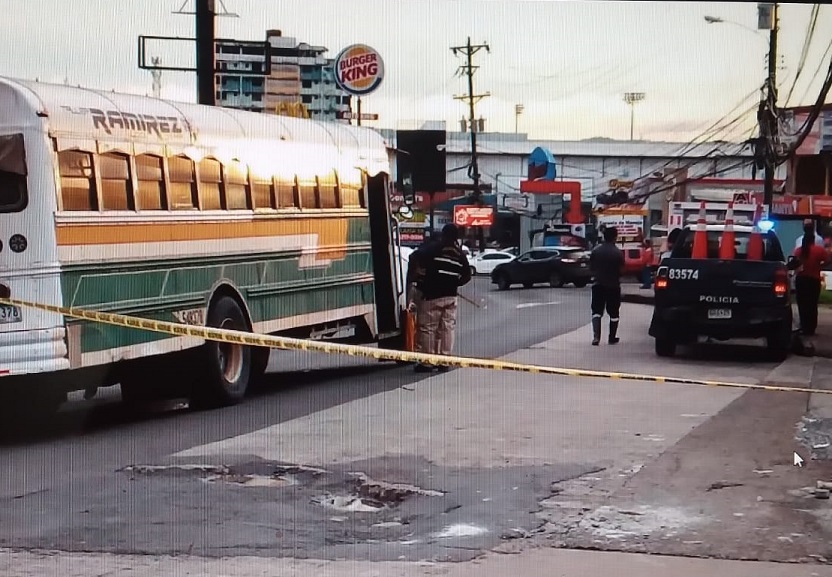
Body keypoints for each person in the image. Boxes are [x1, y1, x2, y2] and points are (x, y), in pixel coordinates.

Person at [410, 224, 472, 372]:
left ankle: (427, 362)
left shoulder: (434, 249)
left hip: (432, 295)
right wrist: (454, 283)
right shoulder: (459, 254)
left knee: (428, 328)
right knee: (447, 328)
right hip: (451, 296)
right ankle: (444, 360)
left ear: (443, 235)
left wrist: (418, 277)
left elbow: (414, 256)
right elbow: (467, 275)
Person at [589, 226, 625, 346]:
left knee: (596, 311)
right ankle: (612, 337)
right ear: (615, 237)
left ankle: (596, 337)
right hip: (613, 286)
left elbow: (591, 268)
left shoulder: (596, 250)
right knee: (614, 313)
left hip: (598, 284)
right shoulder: (617, 253)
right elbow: (621, 270)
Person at [793, 221, 829, 337]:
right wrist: (820, 266)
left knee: (802, 304)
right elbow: (828, 260)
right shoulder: (819, 250)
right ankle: (811, 328)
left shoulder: (799, 251)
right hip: (814, 280)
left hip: (801, 280)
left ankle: (804, 326)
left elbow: (794, 263)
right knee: (812, 305)